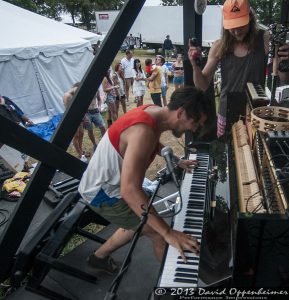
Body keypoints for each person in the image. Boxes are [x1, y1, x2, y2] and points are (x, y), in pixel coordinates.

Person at [78, 86, 209, 272]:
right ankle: (172, 287)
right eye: (196, 123)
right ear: (180, 112)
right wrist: (168, 232)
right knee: (157, 232)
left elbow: (153, 141)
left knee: (141, 222)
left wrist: (177, 161)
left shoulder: (153, 111)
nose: (195, 129)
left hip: (104, 184)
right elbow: (130, 191)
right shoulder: (143, 132)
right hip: (102, 193)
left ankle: (98, 257)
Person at [188, 0, 289, 138]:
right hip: (226, 112)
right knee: (228, 155)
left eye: (240, 25)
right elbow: (202, 85)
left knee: (251, 157)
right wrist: (195, 66)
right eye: (231, 26)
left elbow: (284, 78)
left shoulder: (265, 39)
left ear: (250, 18)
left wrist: (285, 61)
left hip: (255, 113)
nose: (236, 31)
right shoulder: (219, 46)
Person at [63, 83, 97, 158]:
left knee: (81, 133)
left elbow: (80, 106)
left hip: (79, 117)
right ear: (75, 87)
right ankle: (80, 154)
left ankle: (81, 151)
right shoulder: (67, 95)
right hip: (72, 118)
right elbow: (69, 110)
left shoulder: (76, 94)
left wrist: (84, 117)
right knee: (76, 136)